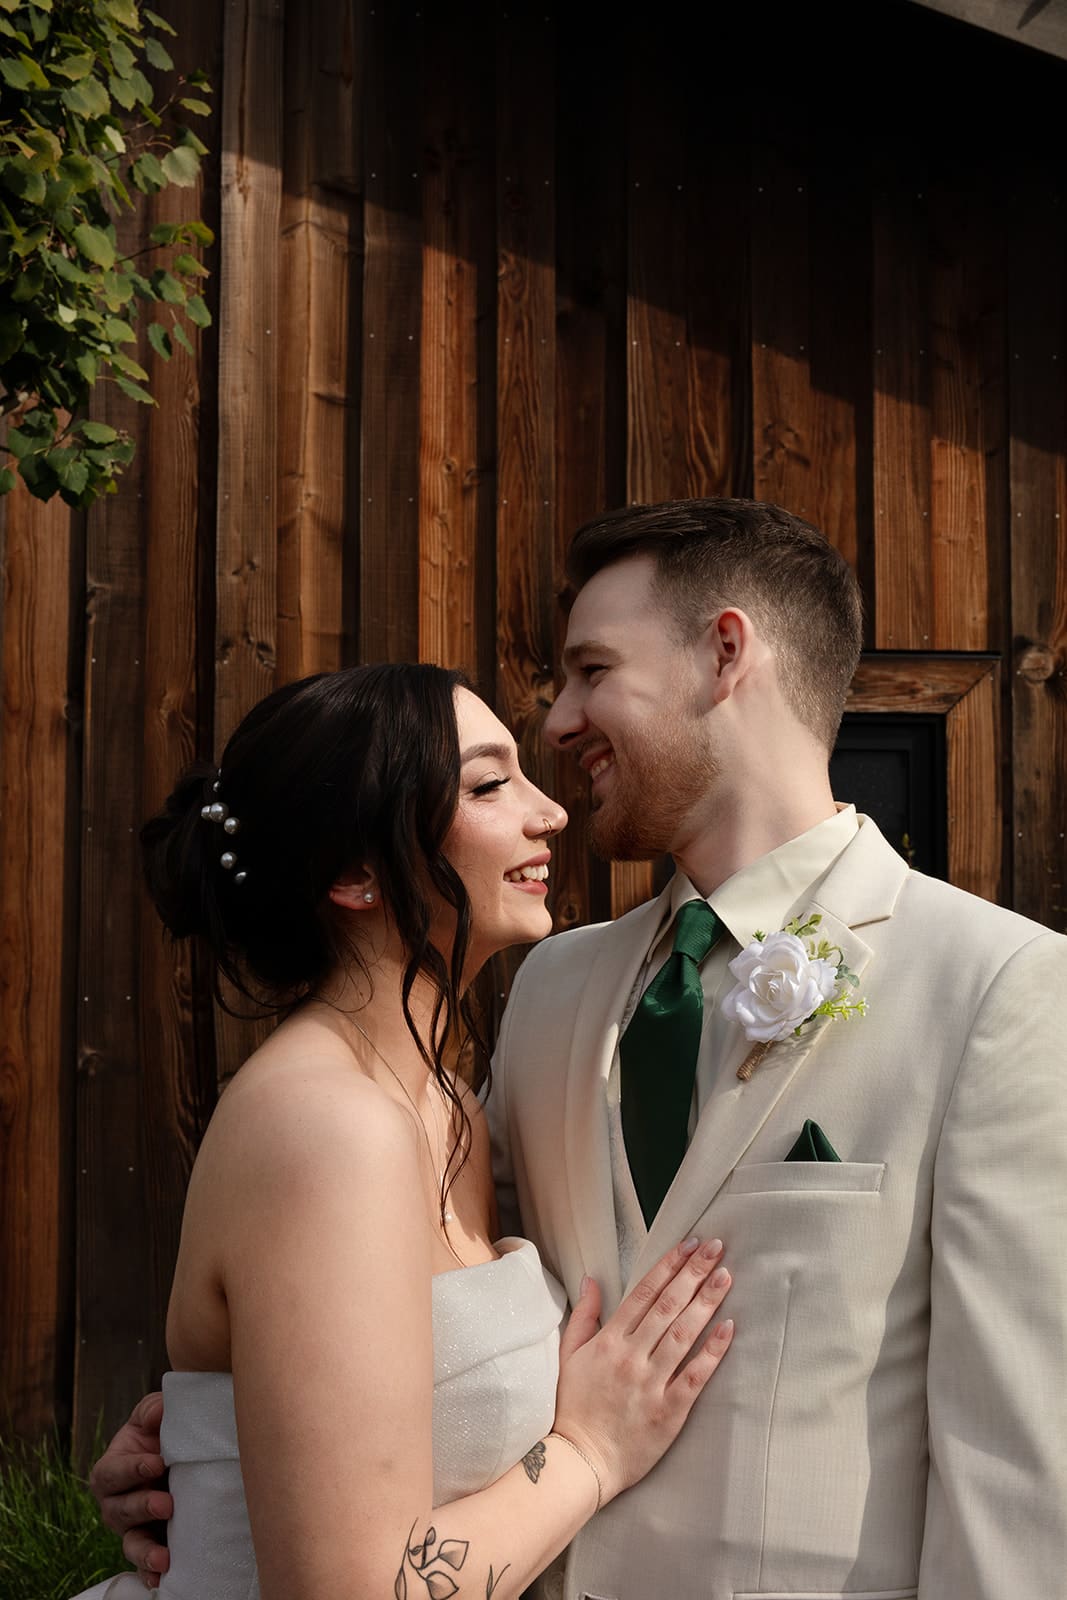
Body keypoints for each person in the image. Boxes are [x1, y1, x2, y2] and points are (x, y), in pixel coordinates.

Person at [95, 495, 1067, 1598]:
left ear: (724, 653)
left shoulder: (991, 987)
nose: (559, 724)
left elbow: (1014, 1486)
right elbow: (383, 1308)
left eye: (589, 671)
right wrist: (220, 1440)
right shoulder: (553, 988)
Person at [73, 662, 735, 1600]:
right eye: (489, 784)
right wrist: (590, 1448)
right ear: (354, 873)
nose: (549, 813)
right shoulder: (327, 1127)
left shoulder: (449, 1104)